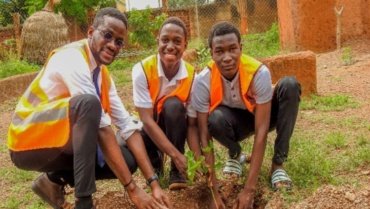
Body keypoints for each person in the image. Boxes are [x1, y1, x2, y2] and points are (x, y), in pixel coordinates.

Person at [7, 7, 171, 209]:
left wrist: (153, 183)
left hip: (56, 140)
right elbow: (103, 129)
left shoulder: (101, 74)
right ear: (91, 32)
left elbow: (127, 126)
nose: (112, 45)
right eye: (107, 35)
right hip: (26, 141)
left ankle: (51, 181)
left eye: (119, 42)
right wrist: (133, 190)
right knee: (89, 105)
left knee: (127, 160)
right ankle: (84, 203)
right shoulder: (73, 58)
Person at [192, 21, 301, 209]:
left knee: (290, 85)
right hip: (233, 121)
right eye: (219, 51)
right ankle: (236, 155)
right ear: (211, 53)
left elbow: (262, 130)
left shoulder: (259, 73)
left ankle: (278, 165)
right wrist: (213, 190)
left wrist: (249, 190)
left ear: (241, 48)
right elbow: (203, 135)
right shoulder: (203, 81)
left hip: (261, 115)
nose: (227, 57)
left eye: (232, 49)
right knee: (213, 120)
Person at [132, 17, 200, 190]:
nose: (170, 46)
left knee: (174, 105)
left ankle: (176, 172)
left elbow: (192, 124)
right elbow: (146, 120)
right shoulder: (142, 70)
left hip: (174, 127)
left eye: (177, 41)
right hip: (148, 128)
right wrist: (176, 155)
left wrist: (198, 160)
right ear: (158, 41)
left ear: (185, 45)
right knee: (132, 137)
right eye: (165, 40)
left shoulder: (192, 77)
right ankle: (156, 163)